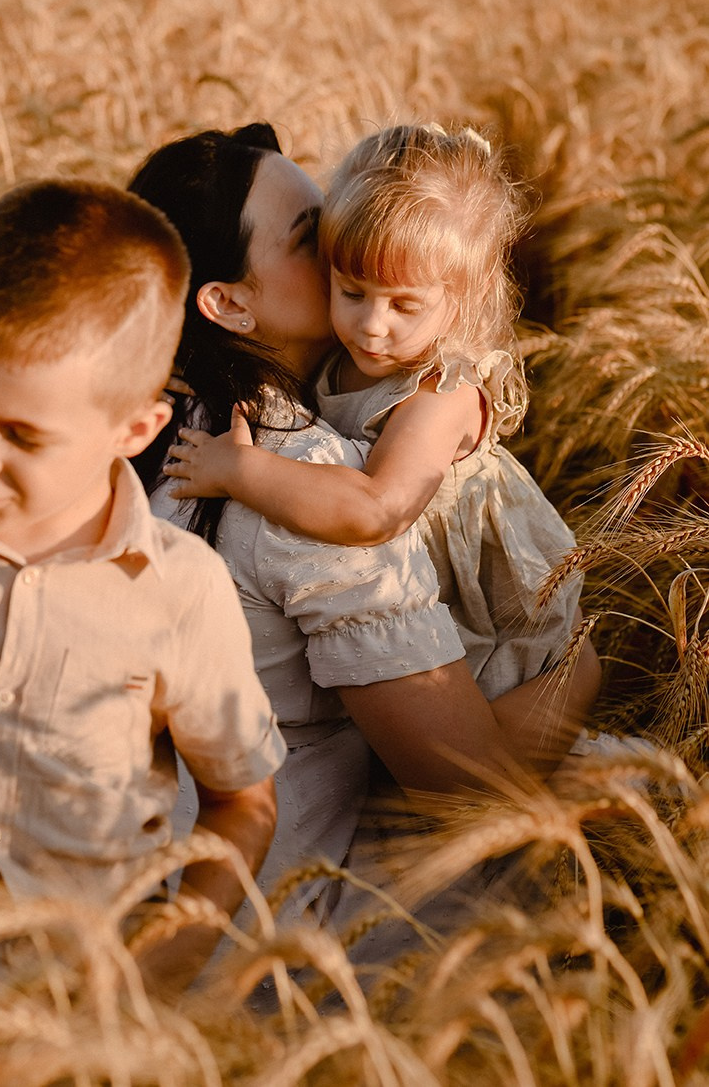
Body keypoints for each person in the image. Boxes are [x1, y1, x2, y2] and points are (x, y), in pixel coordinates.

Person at [0, 179, 285, 1078]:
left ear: (138, 426)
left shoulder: (181, 593)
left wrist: (160, 965)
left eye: (22, 433)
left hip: (68, 1046)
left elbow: (244, 801)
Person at [129, 123, 600, 928]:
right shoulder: (302, 482)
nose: (356, 247)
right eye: (317, 238)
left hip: (177, 875)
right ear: (228, 303)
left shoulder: (155, 425)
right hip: (286, 914)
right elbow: (466, 792)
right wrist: (585, 668)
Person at [166, 123, 595, 705]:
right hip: (417, 604)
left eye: (404, 305)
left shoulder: (438, 390)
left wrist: (239, 472)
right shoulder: (344, 355)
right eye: (350, 290)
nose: (372, 325)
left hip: (490, 619)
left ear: (459, 299)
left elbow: (378, 509)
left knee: (482, 775)